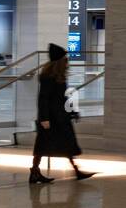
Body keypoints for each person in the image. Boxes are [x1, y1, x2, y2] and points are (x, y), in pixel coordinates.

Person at [29, 43, 95, 184]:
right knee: (44, 144)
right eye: (65, 59)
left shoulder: (58, 76)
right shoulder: (48, 76)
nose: (67, 61)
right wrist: (44, 118)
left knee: (62, 143)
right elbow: (43, 98)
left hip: (60, 116)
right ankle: (35, 171)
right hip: (52, 117)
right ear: (60, 61)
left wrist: (72, 111)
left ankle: (75, 171)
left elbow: (63, 96)